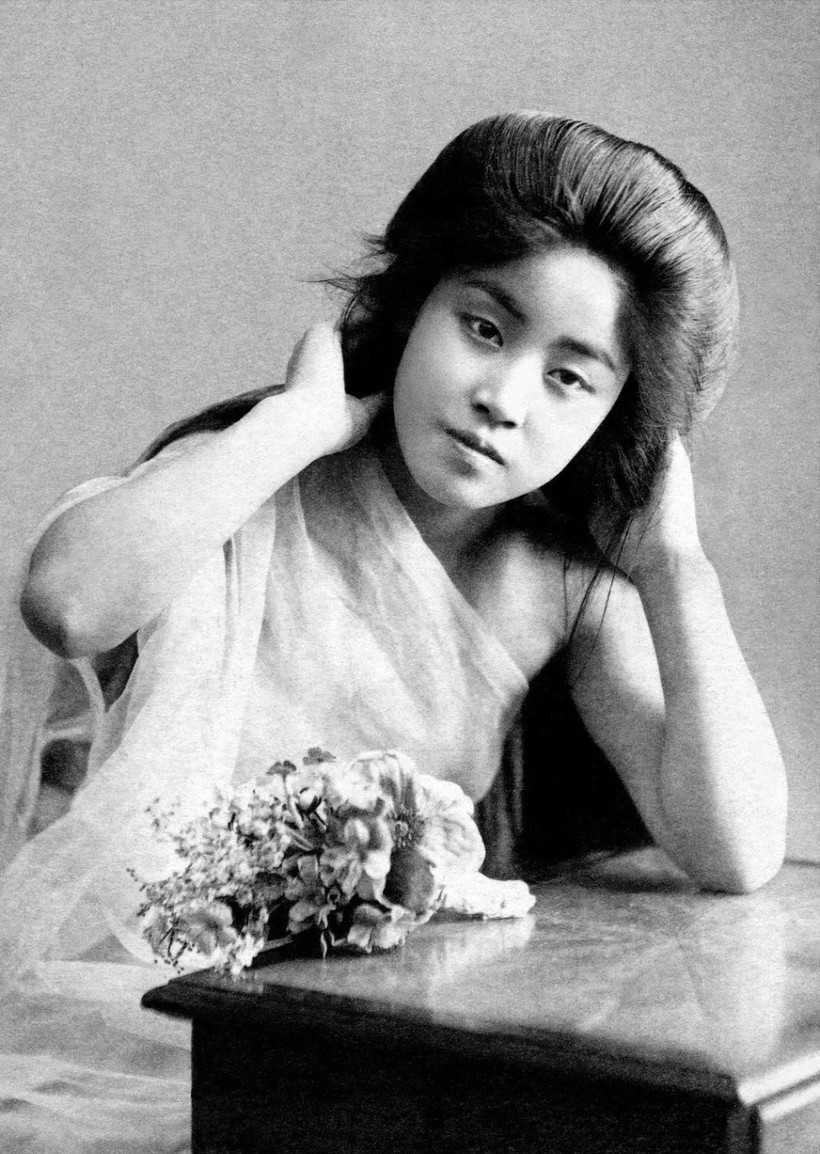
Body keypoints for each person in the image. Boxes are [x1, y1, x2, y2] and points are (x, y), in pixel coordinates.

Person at [0, 112, 787, 1151]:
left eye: (569, 377)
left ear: (618, 416)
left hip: (358, 1049)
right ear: (415, 305)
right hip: (123, 1020)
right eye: (485, 328)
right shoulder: (256, 474)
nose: (501, 399)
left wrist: (675, 568)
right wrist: (295, 426)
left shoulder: (558, 585)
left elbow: (737, 849)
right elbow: (67, 604)